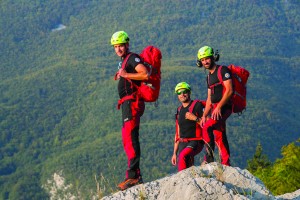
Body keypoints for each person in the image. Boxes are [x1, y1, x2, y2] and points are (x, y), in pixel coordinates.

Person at [111, 31, 149, 190]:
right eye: (116, 46)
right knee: (127, 138)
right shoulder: (125, 60)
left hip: (132, 102)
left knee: (131, 136)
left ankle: (134, 176)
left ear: (127, 44)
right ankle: (133, 175)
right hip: (127, 104)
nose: (118, 49)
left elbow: (145, 74)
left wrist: (126, 74)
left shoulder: (132, 58)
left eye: (121, 45)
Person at [197, 46, 233, 166]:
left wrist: (218, 107)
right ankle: (226, 163)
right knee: (220, 135)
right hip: (215, 109)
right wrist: (204, 115)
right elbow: (209, 99)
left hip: (224, 107)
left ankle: (209, 157)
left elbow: (229, 90)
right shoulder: (208, 77)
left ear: (213, 57)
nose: (205, 62)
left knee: (207, 127)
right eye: (202, 60)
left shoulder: (223, 70)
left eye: (207, 59)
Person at [171, 82, 211, 171]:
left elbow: (208, 125)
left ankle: (183, 181)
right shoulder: (179, 110)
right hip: (182, 142)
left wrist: (195, 119)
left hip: (196, 141)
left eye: (184, 91)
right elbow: (177, 132)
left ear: (189, 92)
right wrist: (174, 153)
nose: (182, 94)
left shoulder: (197, 106)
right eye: (179, 92)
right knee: (186, 166)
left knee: (183, 156)